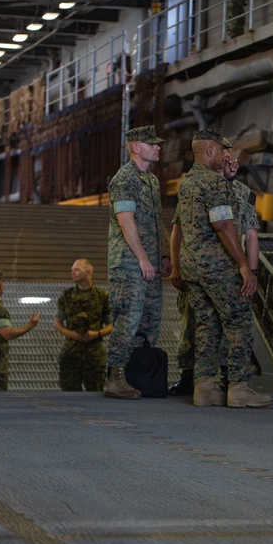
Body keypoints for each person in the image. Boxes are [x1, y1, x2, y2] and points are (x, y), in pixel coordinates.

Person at [175, 129, 271, 408]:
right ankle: (238, 388)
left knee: (207, 324)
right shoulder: (213, 185)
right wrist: (244, 266)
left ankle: (204, 388)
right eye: (220, 151)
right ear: (208, 151)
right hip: (217, 267)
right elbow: (223, 225)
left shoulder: (188, 182)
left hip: (192, 267)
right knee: (239, 321)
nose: (226, 156)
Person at [105, 125, 171, 399]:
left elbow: (157, 221)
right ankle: (115, 376)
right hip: (131, 264)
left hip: (150, 263)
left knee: (149, 321)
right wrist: (143, 259)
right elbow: (125, 221)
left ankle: (138, 374)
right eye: (151, 144)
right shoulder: (124, 179)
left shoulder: (151, 180)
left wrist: (165, 255)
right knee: (128, 319)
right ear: (136, 147)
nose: (157, 147)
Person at [54, 258, 112, 391]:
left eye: (76, 270)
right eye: (72, 270)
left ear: (88, 271)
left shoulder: (102, 297)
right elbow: (57, 322)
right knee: (69, 395)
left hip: (94, 355)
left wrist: (97, 334)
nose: (72, 273)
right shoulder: (67, 296)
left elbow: (111, 324)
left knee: (95, 394)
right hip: (71, 354)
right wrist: (71, 334)